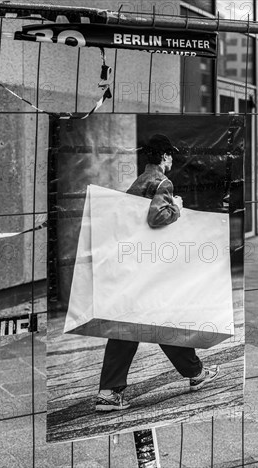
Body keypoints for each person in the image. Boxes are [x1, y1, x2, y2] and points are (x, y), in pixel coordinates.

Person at [96, 133, 220, 412]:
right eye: (171, 154)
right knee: (149, 325)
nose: (173, 159)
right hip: (146, 270)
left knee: (138, 325)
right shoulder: (162, 182)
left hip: (132, 266)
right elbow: (157, 217)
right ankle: (193, 374)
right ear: (164, 157)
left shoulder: (138, 182)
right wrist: (176, 208)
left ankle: (193, 373)